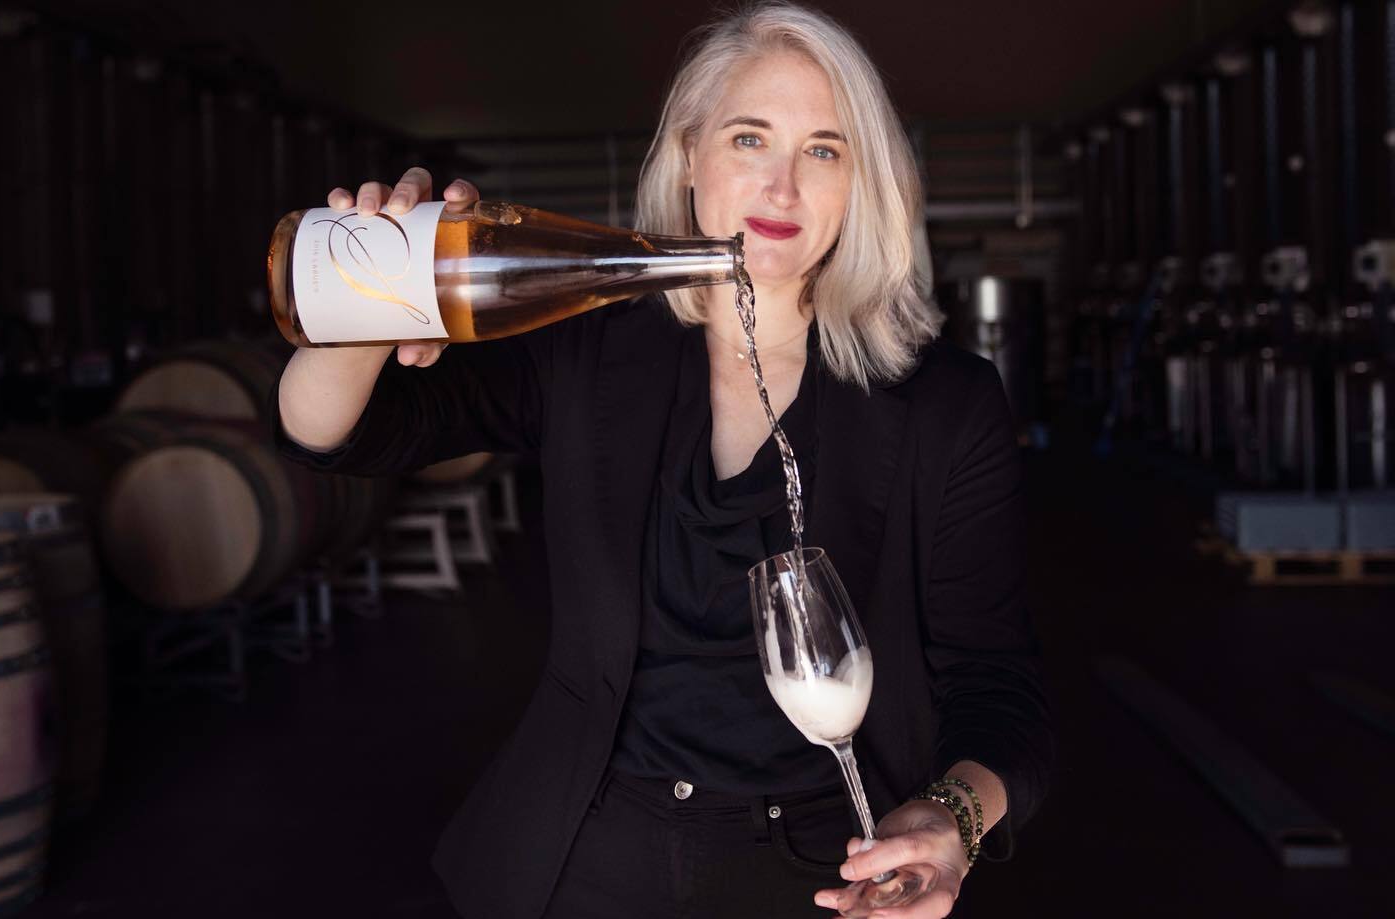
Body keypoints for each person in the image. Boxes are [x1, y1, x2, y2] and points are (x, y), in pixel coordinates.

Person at [272, 3, 1054, 917]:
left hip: (835, 871)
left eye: (825, 150)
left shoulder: (945, 403)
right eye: (750, 138)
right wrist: (370, 289)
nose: (782, 187)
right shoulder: (588, 343)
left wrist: (950, 817)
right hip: (587, 849)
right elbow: (334, 431)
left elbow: (997, 682)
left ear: (862, 182)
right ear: (690, 156)